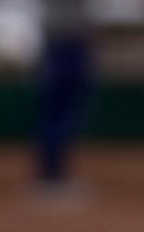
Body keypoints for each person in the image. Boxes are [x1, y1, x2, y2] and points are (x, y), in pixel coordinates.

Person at [35, 0, 96, 196]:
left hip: (70, 45)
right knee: (58, 114)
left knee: (66, 115)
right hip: (62, 45)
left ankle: (55, 174)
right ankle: (51, 177)